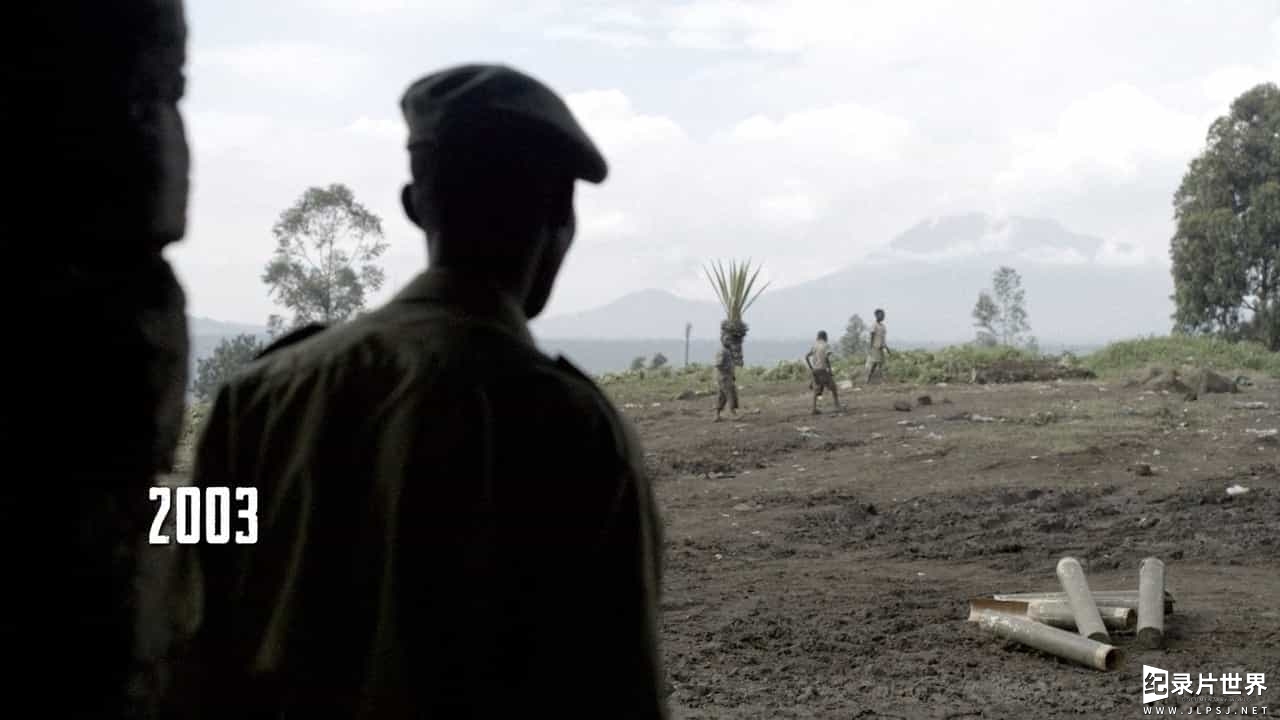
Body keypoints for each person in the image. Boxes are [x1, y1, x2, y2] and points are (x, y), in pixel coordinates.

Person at [180, 64, 668, 719]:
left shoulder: (255, 401)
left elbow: (183, 594)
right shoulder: (575, 433)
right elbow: (617, 685)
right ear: (558, 212)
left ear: (416, 206)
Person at [805, 330, 840, 414]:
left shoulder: (814, 345)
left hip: (815, 370)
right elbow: (826, 358)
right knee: (833, 387)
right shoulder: (826, 345)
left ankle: (814, 408)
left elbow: (806, 356)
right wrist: (830, 370)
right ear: (825, 337)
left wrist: (811, 368)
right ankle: (837, 406)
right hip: (823, 370)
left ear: (818, 337)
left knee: (816, 389)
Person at [714, 332, 738, 422]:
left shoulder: (727, 351)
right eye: (727, 339)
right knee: (730, 394)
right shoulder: (722, 351)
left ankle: (717, 415)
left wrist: (732, 375)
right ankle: (733, 414)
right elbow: (718, 364)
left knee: (722, 396)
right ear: (722, 340)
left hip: (727, 377)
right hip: (724, 377)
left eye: (729, 339)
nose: (729, 341)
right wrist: (727, 371)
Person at [865, 308, 891, 384]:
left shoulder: (883, 326)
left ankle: (880, 380)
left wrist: (886, 348)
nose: (883, 316)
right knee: (875, 364)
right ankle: (869, 379)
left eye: (883, 315)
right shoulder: (874, 325)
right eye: (881, 315)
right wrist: (871, 348)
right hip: (875, 347)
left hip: (881, 347)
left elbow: (883, 338)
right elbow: (872, 337)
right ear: (876, 315)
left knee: (881, 364)